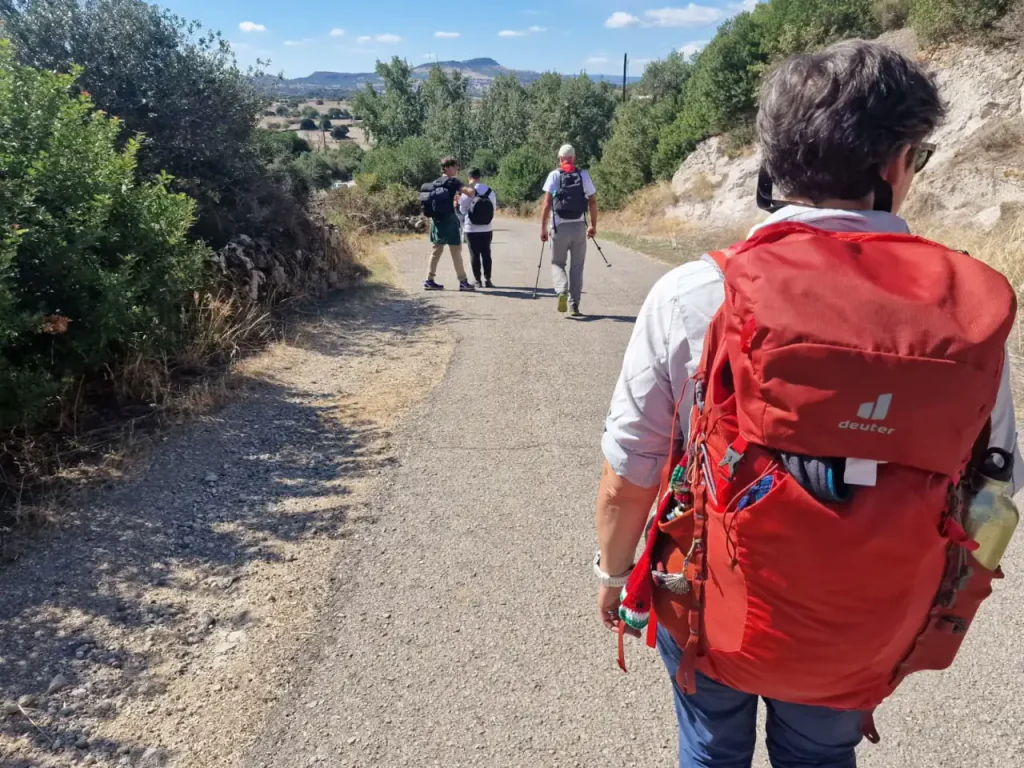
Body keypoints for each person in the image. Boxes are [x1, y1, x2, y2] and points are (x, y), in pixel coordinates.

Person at [595, 40, 1023, 768]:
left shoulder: (695, 294)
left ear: (773, 162)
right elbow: (994, 491)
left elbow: (629, 472)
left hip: (712, 608)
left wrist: (612, 575)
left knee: (709, 750)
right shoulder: (962, 313)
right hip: (864, 626)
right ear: (898, 164)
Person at [539, 144, 597, 318]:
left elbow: (547, 203)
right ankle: (574, 305)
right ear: (574, 158)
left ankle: (561, 290)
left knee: (557, 263)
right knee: (577, 267)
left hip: (559, 227)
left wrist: (543, 227)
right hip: (579, 227)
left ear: (560, 159)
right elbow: (592, 202)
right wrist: (593, 225)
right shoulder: (583, 175)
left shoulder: (554, 175)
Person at [423, 157, 475, 292]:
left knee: (436, 250)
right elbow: (469, 193)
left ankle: (429, 280)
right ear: (446, 168)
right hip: (450, 220)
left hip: (436, 221)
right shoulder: (453, 182)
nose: (456, 169)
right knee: (456, 250)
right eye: (453, 166)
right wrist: (473, 187)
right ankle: (463, 281)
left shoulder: (435, 183)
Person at [459, 167, 498, 288]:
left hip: (471, 229)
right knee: (486, 254)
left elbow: (462, 210)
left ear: (469, 177)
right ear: (479, 177)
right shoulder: (489, 191)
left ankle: (477, 280)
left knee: (474, 254)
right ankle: (488, 280)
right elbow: (494, 209)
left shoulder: (467, 192)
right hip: (487, 228)